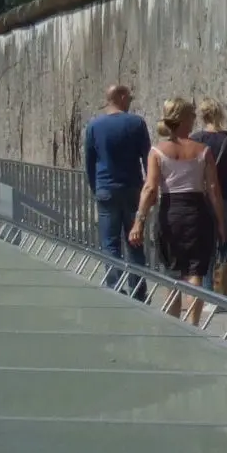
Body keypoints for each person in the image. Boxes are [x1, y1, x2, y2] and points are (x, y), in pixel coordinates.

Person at [129, 98, 223, 326]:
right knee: (195, 273)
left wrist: (139, 221)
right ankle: (193, 325)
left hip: (170, 212)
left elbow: (150, 188)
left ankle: (172, 325)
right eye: (191, 116)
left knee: (172, 273)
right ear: (183, 120)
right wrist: (222, 224)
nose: (194, 120)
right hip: (198, 213)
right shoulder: (203, 150)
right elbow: (213, 190)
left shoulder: (157, 151)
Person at [83, 84, 151, 297]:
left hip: (106, 189)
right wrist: (149, 188)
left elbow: (89, 161)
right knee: (135, 242)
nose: (131, 99)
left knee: (110, 243)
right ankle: (138, 292)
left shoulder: (94, 126)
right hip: (133, 189)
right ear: (120, 97)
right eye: (129, 96)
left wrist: (96, 188)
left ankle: (114, 289)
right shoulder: (137, 123)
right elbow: (147, 158)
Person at [193, 99, 227, 297]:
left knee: (206, 247)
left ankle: (207, 293)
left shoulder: (195, 139)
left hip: (202, 199)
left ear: (202, 116)